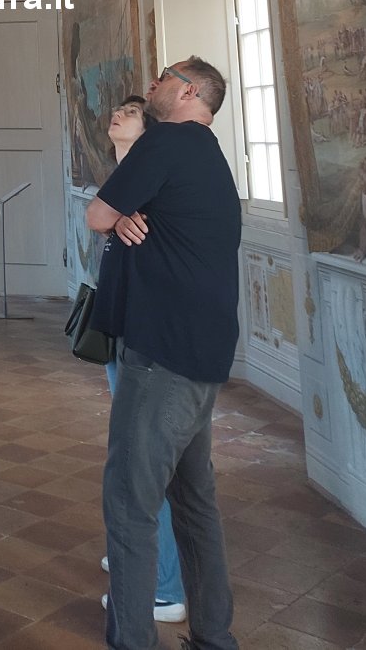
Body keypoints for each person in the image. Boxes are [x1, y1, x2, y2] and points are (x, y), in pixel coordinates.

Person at [86, 58, 241, 650]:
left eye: (161, 79)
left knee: (129, 506)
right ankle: (213, 636)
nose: (149, 87)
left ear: (188, 90)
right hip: (202, 351)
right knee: (194, 503)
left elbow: (97, 214)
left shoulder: (169, 139)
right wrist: (127, 214)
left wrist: (118, 214)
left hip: (162, 353)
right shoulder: (207, 151)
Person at [96, 96, 186, 625]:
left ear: (148, 127)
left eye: (130, 111)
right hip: (127, 327)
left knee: (141, 462)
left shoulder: (151, 178)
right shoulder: (125, 176)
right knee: (127, 453)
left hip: (149, 337)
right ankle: (133, 548)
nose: (118, 114)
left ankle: (164, 587)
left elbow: (100, 222)